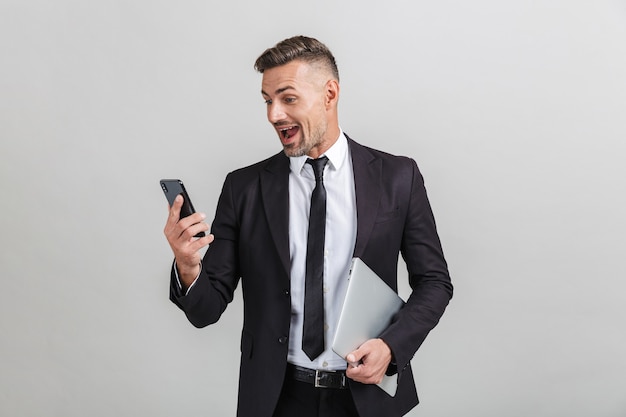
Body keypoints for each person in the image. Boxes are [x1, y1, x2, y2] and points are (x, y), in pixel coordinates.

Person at [164, 35, 453, 417]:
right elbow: (206, 310)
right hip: (277, 398)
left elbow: (435, 282)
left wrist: (391, 347)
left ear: (329, 94)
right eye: (267, 101)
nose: (273, 115)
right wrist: (187, 267)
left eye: (287, 98)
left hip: (365, 397)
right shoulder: (244, 188)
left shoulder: (398, 177)